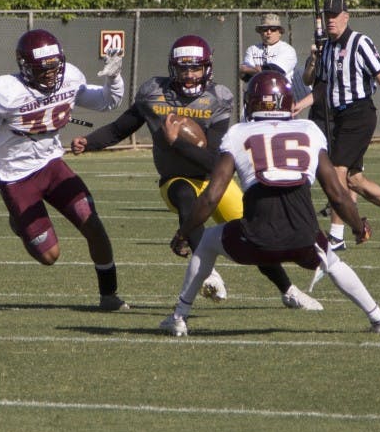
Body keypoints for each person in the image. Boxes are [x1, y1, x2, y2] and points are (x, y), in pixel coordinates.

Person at [70, 34, 322, 311]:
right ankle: (210, 274)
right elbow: (120, 129)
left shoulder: (218, 98)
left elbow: (213, 161)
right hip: (175, 178)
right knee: (184, 195)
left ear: (207, 68)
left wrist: (175, 141)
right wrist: (90, 141)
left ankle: (288, 290)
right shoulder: (153, 92)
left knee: (254, 232)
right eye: (183, 68)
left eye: (196, 68)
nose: (189, 75)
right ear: (172, 68)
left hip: (214, 179)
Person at [161, 70, 380, 336]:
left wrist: (183, 233)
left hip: (254, 239)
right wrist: (357, 226)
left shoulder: (239, 133)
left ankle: (179, 317)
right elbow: (337, 193)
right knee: (331, 261)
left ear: (251, 102)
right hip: (303, 237)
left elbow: (212, 195)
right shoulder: (309, 130)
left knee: (207, 242)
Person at [0, 28, 131, 311]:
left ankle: (109, 295)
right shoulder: (7, 91)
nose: (52, 74)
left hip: (52, 164)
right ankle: (19, 224)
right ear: (25, 68)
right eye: (43, 69)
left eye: (55, 67)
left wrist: (114, 77)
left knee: (92, 223)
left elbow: (107, 102)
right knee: (50, 255)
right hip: (16, 176)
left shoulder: (70, 78)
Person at [293, 0, 380, 251]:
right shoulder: (326, 48)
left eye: (335, 15)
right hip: (337, 117)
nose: (330, 20)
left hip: (359, 115)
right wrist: (300, 104)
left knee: (336, 172)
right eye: (327, 15)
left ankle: (336, 237)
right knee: (355, 181)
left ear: (346, 17)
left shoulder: (360, 42)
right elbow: (322, 87)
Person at [239, 13, 298, 81]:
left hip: (281, 89)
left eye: (273, 29)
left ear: (279, 32)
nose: (269, 32)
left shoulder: (287, 49)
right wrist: (254, 70)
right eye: (265, 29)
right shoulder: (252, 49)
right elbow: (246, 76)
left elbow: (275, 71)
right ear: (260, 32)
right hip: (256, 89)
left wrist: (249, 70)